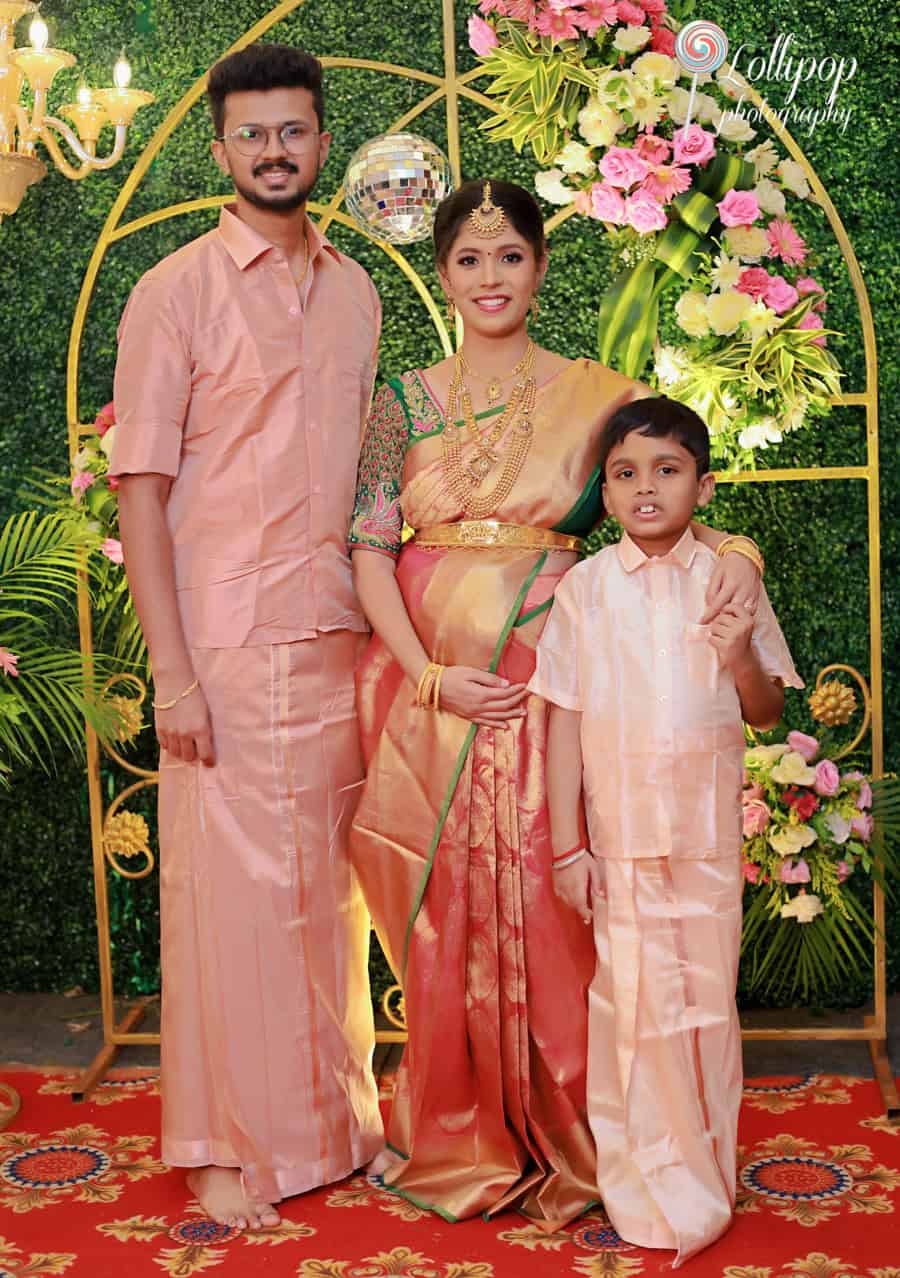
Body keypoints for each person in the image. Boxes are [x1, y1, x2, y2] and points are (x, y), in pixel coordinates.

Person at [347, 178, 763, 1226]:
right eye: (470, 260)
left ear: (540, 266)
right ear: (441, 274)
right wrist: (429, 675)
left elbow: (676, 506)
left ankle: (584, 1137)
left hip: (560, 694)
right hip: (432, 702)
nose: (491, 278)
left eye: (511, 257)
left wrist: (747, 555)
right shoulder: (401, 403)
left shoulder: (602, 395)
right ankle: (459, 1129)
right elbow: (364, 548)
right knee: (447, 917)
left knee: (552, 900)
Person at [110, 43, 383, 1232]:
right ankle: (220, 1145)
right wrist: (170, 671)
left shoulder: (359, 294)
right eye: (253, 134)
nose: (276, 150)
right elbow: (140, 490)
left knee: (331, 895)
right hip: (219, 647)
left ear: (322, 141)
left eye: (296, 130)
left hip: (334, 635)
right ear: (221, 149)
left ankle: (336, 1125)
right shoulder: (173, 292)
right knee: (225, 901)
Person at [530, 396, 803, 1263]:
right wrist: (567, 847)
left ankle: (705, 1174)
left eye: (667, 469)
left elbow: (764, 713)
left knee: (703, 1010)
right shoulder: (583, 591)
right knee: (632, 1010)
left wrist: (737, 656)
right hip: (617, 842)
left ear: (704, 485)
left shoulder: (726, 580)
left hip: (705, 842)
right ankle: (643, 1182)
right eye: (624, 474)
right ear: (604, 495)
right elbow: (563, 721)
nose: (646, 488)